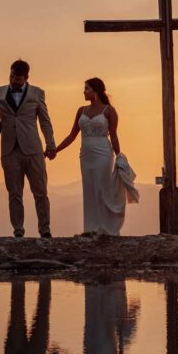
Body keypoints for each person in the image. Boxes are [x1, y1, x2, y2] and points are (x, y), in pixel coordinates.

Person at [52, 77, 133, 235]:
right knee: (89, 188)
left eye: (87, 89)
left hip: (103, 153)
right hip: (86, 154)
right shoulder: (81, 110)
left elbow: (114, 135)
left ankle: (105, 227)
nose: (84, 91)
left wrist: (119, 156)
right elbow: (72, 135)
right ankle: (90, 227)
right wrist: (56, 149)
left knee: (101, 188)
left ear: (95, 91)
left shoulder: (109, 111)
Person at [0, 59, 57, 238]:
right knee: (14, 193)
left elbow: (45, 120)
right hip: (9, 150)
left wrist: (50, 144)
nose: (14, 81)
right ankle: (18, 231)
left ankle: (45, 230)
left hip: (33, 150)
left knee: (41, 192)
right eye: (12, 76)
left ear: (26, 78)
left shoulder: (37, 94)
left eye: (18, 79)